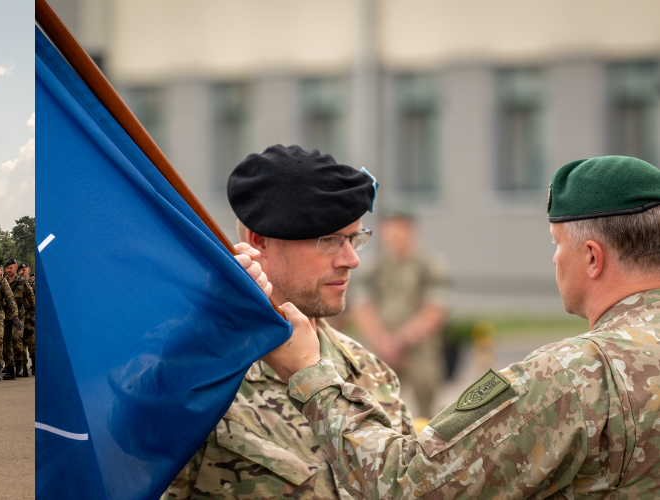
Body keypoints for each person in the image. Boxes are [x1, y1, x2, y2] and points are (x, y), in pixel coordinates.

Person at [265, 155, 660, 498]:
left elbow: (405, 484)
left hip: (417, 354)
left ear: (592, 257)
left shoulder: (574, 377)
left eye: (557, 244)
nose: (555, 259)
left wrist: (311, 375)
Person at [164, 144, 410, 499]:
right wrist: (203, 325)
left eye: (354, 238)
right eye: (329, 240)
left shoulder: (373, 374)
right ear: (259, 241)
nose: (351, 260)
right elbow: (121, 443)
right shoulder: (199, 368)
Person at [352, 208, 451, 418]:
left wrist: (403, 339)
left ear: (410, 230)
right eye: (388, 230)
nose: (392, 236)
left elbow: (436, 308)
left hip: (419, 347)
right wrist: (382, 340)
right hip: (381, 347)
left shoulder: (428, 264)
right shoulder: (374, 265)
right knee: (375, 405)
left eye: (398, 229)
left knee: (426, 403)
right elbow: (361, 305)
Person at [3, 259, 32, 381]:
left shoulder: (22, 281)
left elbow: (31, 298)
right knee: (6, 343)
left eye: (11, 268)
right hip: (5, 315)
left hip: (19, 315)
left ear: (16, 268)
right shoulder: (3, 281)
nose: (9, 270)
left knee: (16, 338)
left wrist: (33, 314)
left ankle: (20, 364)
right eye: (7, 268)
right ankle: (10, 368)